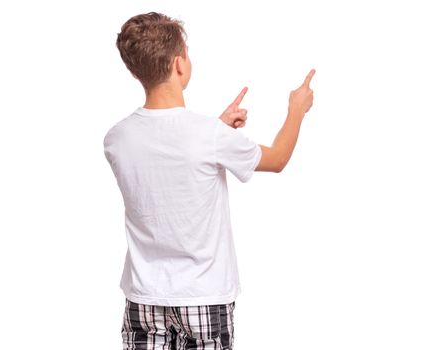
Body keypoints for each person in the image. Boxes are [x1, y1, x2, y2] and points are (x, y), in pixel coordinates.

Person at [104, 11, 315, 350]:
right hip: (203, 296)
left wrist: (216, 130)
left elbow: (165, 162)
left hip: (143, 300)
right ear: (179, 64)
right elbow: (277, 159)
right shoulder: (208, 136)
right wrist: (296, 109)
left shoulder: (116, 138)